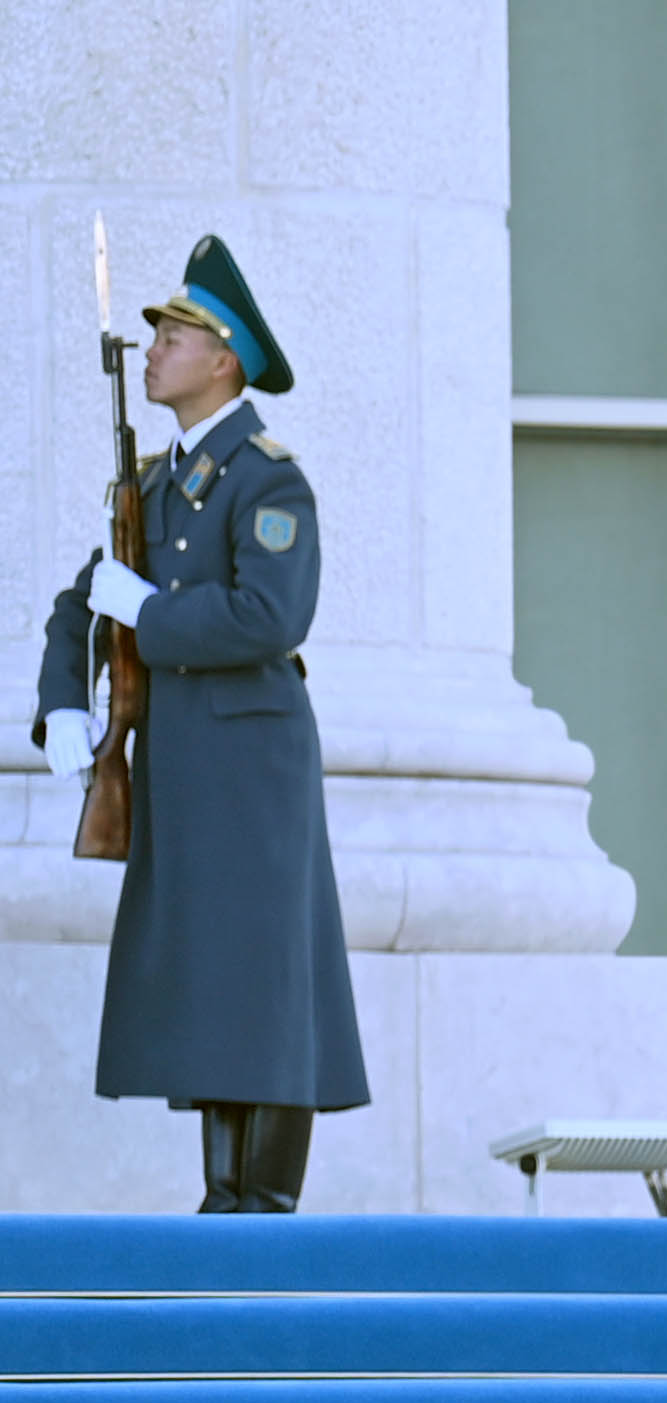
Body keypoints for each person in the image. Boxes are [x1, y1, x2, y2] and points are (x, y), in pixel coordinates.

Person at [31, 235, 364, 1213]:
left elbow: (272, 617)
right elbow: (81, 602)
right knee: (213, 980)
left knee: (266, 978)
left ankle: (264, 1202)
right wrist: (64, 701)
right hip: (180, 763)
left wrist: (151, 613)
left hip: (253, 762)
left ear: (224, 360)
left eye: (173, 338)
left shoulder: (267, 480)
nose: (154, 353)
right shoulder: (153, 484)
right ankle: (223, 1197)